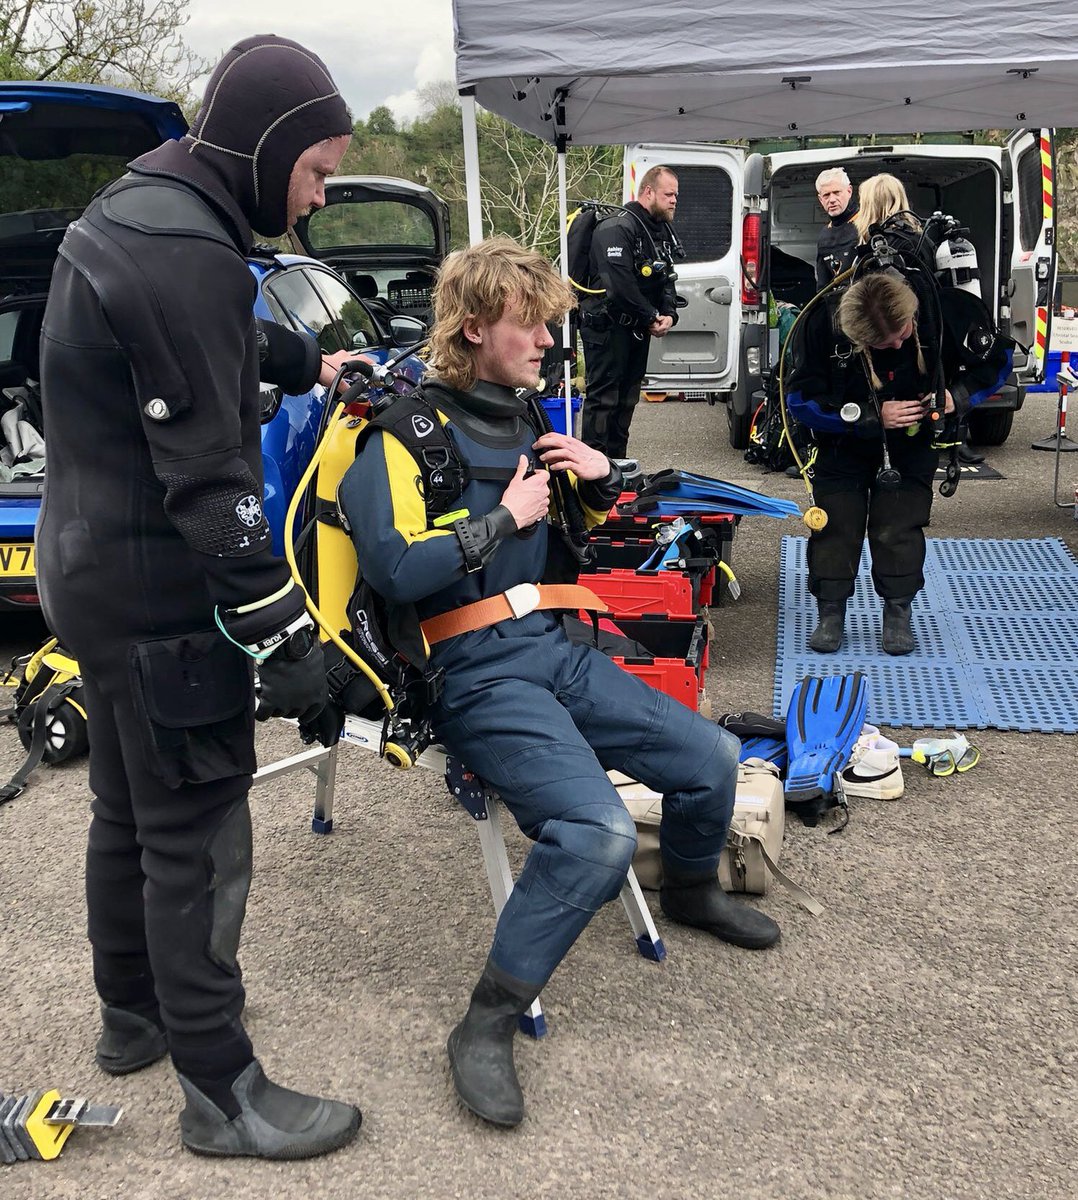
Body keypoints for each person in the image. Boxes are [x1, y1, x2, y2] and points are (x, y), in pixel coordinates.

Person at [338, 236, 780, 1129]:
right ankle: (486, 1021)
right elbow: (388, 567)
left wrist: (598, 477)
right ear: (474, 329)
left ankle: (691, 892)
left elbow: (567, 529)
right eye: (528, 323)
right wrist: (504, 516)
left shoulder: (525, 415)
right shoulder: (404, 434)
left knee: (713, 759)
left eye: (549, 324)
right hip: (471, 668)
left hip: (557, 645)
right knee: (596, 834)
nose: (546, 340)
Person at [36, 35, 363, 1159]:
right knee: (195, 827)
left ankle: (133, 1018)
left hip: (86, 571)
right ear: (269, 146)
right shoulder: (188, 254)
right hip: (158, 592)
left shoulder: (145, 209)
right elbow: (218, 497)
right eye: (315, 171)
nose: (315, 200)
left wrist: (300, 364)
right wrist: (288, 639)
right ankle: (222, 1091)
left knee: (127, 811)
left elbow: (185, 347)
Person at [785, 268, 1010, 656]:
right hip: (842, 445)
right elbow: (799, 401)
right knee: (837, 526)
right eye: (881, 343)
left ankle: (897, 611)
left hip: (912, 445)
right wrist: (868, 417)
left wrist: (958, 394)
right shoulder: (823, 323)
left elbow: (999, 359)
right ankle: (831, 612)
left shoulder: (946, 312)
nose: (894, 345)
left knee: (898, 527)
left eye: (902, 334)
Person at [855, 173, 986, 465]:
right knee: (940, 385)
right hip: (933, 330)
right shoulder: (921, 237)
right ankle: (950, 438)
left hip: (900, 333)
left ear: (870, 204)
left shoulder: (877, 246)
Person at [579, 166, 681, 461]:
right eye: (669, 194)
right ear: (648, 192)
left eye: (676, 194)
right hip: (607, 329)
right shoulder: (617, 228)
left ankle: (618, 468)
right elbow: (618, 285)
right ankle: (595, 474)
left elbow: (666, 278)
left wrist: (669, 313)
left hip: (635, 330)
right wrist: (651, 316)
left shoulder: (657, 230)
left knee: (626, 401)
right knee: (604, 401)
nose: (674, 200)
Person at [815, 167, 859, 290]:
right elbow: (822, 286)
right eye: (826, 195)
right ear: (820, 199)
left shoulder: (866, 224)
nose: (832, 200)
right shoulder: (824, 235)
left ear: (849, 191)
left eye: (837, 192)